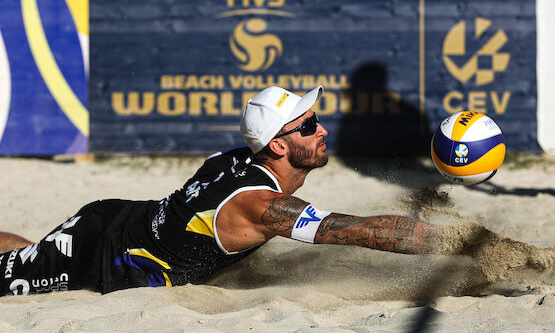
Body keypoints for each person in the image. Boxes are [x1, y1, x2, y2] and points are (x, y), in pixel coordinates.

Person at [0, 86, 485, 296]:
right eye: (308, 124)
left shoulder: (236, 157)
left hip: (116, 221)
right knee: (12, 270)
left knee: (28, 253)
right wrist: (470, 244)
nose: (322, 130)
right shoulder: (263, 204)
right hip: (104, 258)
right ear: (277, 144)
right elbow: (355, 231)